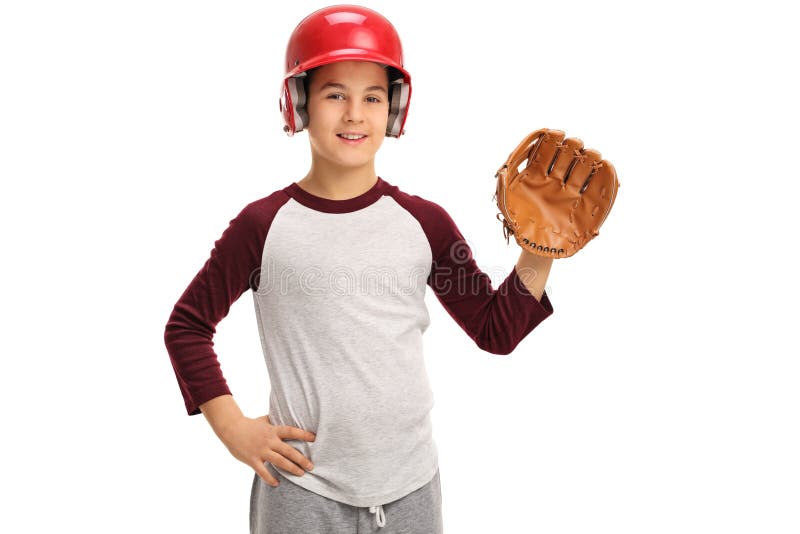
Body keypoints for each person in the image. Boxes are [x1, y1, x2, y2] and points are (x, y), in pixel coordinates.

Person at [163, 5, 555, 533]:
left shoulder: (425, 222)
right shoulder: (262, 226)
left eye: (373, 97)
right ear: (299, 103)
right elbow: (187, 325)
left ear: (393, 109)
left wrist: (538, 255)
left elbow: (495, 329)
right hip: (302, 490)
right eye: (335, 95)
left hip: (411, 487)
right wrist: (231, 425)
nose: (355, 114)